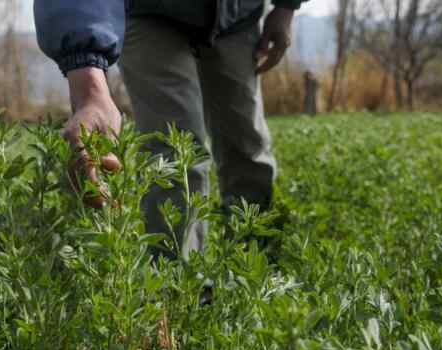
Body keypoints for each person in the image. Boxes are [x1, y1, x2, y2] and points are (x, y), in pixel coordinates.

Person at [33, 0, 306, 259]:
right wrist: (89, 84)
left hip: (236, 15)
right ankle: (181, 286)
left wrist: (285, 7)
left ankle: (257, 263)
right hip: (149, 13)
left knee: (247, 145)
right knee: (175, 156)